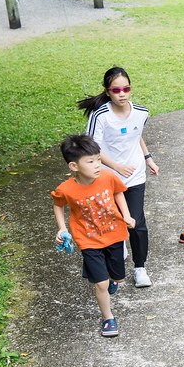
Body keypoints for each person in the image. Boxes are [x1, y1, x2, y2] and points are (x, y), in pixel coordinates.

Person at [80, 66, 158, 288]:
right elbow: (91, 148)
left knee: (137, 222)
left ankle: (140, 267)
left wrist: (148, 158)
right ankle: (115, 259)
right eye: (116, 90)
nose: (122, 93)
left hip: (134, 177)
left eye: (126, 88)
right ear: (107, 92)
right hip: (106, 178)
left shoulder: (141, 112)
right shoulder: (100, 116)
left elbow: (137, 136)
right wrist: (115, 165)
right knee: (111, 221)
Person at [51, 134, 136, 338]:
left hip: (114, 234)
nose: (98, 165)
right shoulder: (66, 189)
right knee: (101, 283)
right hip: (87, 239)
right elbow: (58, 205)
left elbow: (118, 192)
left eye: (99, 159)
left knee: (117, 277)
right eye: (91, 161)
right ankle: (108, 318)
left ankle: (111, 279)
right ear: (74, 166)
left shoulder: (108, 177)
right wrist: (62, 228)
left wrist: (126, 215)